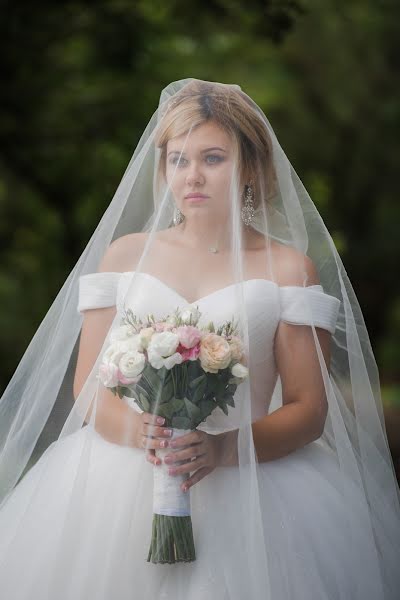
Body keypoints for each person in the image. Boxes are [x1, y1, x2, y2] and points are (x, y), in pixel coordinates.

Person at [0, 78, 399, 599]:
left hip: (255, 484)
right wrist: (140, 431)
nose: (192, 175)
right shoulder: (125, 255)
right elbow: (89, 388)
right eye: (178, 159)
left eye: (213, 158)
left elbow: (308, 408)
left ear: (251, 168)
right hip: (119, 480)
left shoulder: (288, 269)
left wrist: (224, 449)